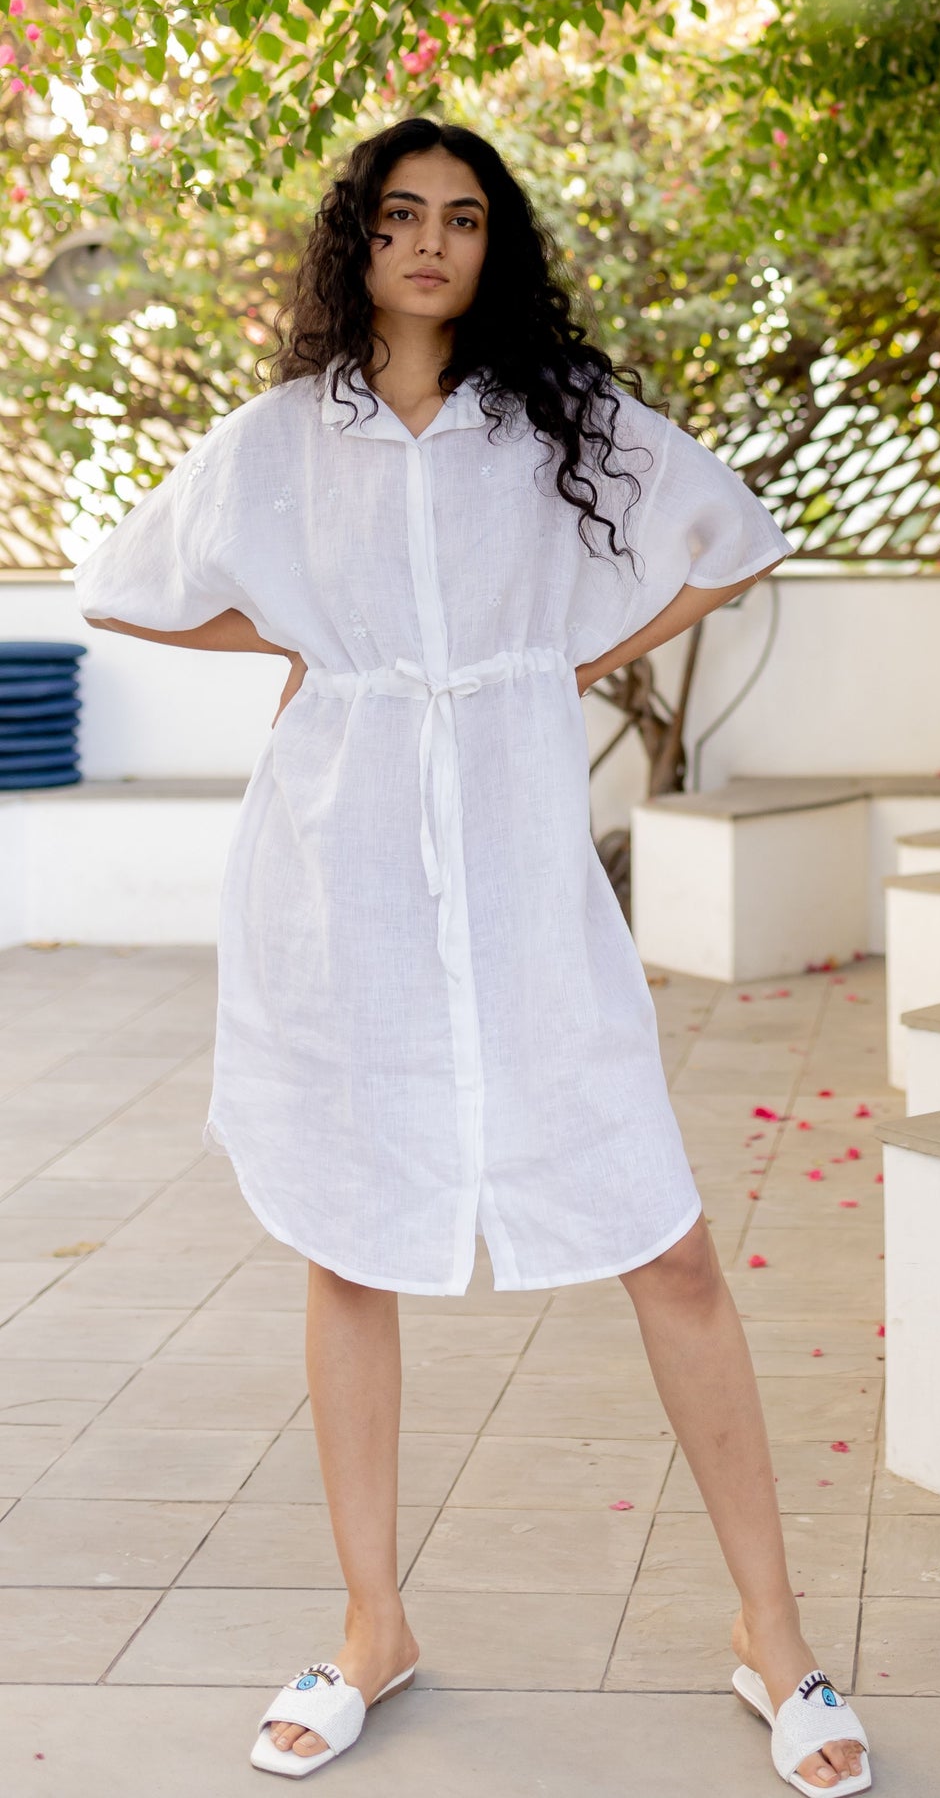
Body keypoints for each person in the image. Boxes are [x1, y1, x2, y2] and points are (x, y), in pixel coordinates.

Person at [73, 116, 870, 1794]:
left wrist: (558, 658)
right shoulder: (283, 441)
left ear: (493, 248)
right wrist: (305, 634)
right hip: (336, 876)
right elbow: (127, 587)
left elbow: (731, 534)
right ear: (355, 240)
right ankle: (376, 1624)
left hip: (518, 876)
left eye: (464, 219)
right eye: (402, 216)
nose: (432, 242)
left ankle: (772, 1634)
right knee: (346, 1243)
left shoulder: (551, 424)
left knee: (664, 1243)